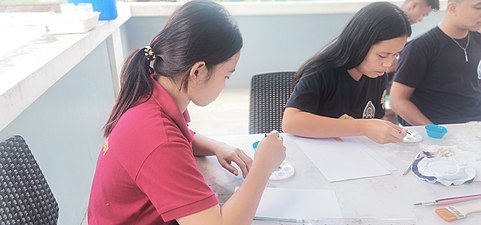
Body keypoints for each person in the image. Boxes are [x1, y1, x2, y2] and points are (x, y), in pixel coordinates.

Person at [88, 1, 286, 225]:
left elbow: (178, 137)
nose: (225, 85)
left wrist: (216, 147)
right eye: (227, 76)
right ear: (198, 71)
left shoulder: (150, 91)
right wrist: (264, 165)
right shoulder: (157, 137)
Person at [282, 2, 411, 144]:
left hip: (356, 154)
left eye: (395, 55)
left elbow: (374, 118)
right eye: (382, 55)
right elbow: (290, 122)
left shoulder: (377, 74)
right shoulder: (322, 72)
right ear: (360, 43)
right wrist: (362, 127)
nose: (388, 64)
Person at [390, 0, 481, 126]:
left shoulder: (477, 40)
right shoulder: (420, 47)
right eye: (478, 7)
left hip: (474, 126)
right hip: (441, 130)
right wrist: (433, 129)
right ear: (452, 8)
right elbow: (397, 100)